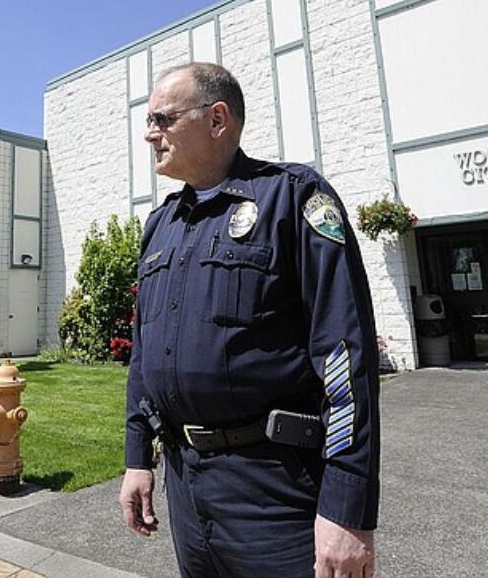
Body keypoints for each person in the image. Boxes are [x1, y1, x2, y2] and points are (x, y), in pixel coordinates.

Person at [119, 63, 379, 578]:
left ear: (217, 119)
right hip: (187, 492)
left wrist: (346, 511)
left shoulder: (294, 197)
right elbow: (144, 353)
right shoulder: (160, 226)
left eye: (162, 118)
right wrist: (136, 457)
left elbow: (345, 356)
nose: (149, 133)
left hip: (274, 492)